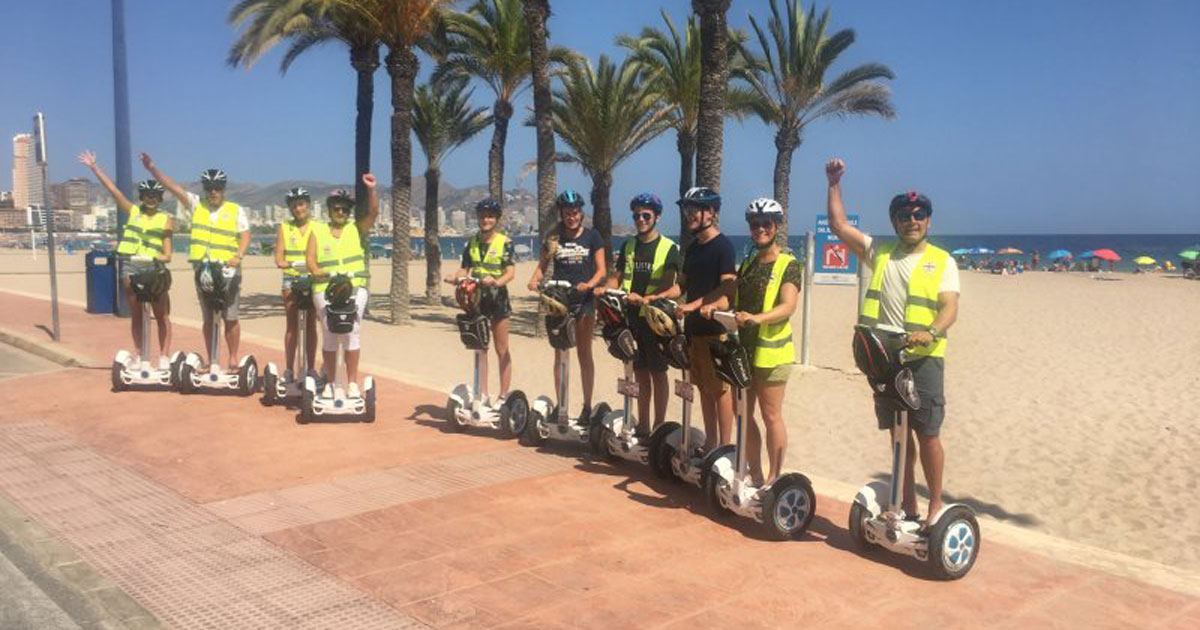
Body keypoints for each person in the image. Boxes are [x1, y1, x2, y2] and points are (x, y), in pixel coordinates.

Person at [825, 158, 960, 526]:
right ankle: (906, 504)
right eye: (904, 216)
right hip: (884, 357)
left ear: (928, 221)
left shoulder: (942, 261)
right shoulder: (880, 253)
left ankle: (934, 506)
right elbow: (838, 226)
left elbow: (950, 308)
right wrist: (834, 183)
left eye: (918, 215)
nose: (911, 221)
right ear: (895, 222)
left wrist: (931, 331)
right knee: (898, 433)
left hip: (924, 358)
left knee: (926, 432)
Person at [699, 198, 799, 486]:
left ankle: (774, 477)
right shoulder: (749, 265)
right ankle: (754, 471)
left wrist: (757, 318)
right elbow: (732, 298)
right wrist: (713, 306)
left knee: (770, 415)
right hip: (744, 352)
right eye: (755, 225)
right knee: (744, 413)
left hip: (772, 355)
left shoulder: (788, 265)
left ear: (776, 227)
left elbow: (788, 305)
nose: (760, 229)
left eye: (766, 224)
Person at [142, 154, 250, 372]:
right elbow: (172, 187)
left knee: (230, 316)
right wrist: (153, 169)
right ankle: (212, 360)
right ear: (204, 188)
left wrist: (238, 256)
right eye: (209, 187)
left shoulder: (235, 210)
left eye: (217, 187)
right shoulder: (195, 205)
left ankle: (233, 358)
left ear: (223, 188)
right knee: (209, 317)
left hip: (229, 270)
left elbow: (245, 235)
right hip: (204, 270)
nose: (213, 191)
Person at [79, 151, 174, 367]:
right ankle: (140, 355)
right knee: (137, 314)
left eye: (155, 196)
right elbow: (113, 190)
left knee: (161, 314)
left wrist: (159, 256)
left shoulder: (166, 219)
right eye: (147, 195)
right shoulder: (132, 211)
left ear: (160, 199)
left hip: (154, 268)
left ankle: (165, 356)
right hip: (130, 266)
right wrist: (94, 167)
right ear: (142, 197)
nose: (151, 199)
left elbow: (168, 252)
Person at [526, 189, 607, 422]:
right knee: (560, 353)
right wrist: (534, 279)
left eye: (575, 212)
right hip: (559, 300)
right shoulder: (554, 237)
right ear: (561, 214)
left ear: (581, 213)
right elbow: (542, 265)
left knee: (584, 354)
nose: (572, 216)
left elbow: (601, 270)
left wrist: (589, 284)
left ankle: (587, 406)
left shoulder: (593, 237)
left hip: (584, 301)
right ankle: (561, 404)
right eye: (567, 212)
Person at [607, 193, 680, 437]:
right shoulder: (628, 245)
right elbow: (618, 276)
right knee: (639, 372)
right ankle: (644, 424)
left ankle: (659, 426)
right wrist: (607, 290)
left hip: (655, 318)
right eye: (637, 215)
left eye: (646, 215)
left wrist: (647, 299)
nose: (641, 219)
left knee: (658, 373)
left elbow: (671, 285)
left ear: (656, 217)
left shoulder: (669, 248)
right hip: (631, 317)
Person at [673, 186, 737, 454]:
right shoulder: (692, 249)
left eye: (693, 210)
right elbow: (682, 286)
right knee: (703, 387)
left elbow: (727, 288)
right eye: (686, 210)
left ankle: (724, 446)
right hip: (693, 329)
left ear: (710, 212)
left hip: (715, 329)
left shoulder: (723, 247)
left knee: (720, 390)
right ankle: (710, 442)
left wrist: (695, 305)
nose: (688, 215)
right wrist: (658, 298)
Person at [306, 175, 380, 397]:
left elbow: (374, 213)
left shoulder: (356, 229)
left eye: (345, 210)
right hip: (324, 288)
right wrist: (317, 271)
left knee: (351, 332)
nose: (341, 213)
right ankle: (330, 381)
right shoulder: (317, 231)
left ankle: (353, 383)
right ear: (329, 210)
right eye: (337, 209)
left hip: (354, 287)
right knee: (329, 332)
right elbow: (310, 258)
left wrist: (371, 190)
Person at [445, 198, 517, 400]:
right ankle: (482, 393)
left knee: (501, 348)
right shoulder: (472, 243)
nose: (486, 219)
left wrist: (497, 282)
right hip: (476, 300)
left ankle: (504, 395)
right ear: (477, 218)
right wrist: (456, 277)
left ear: (496, 219)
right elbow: (465, 268)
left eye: (490, 216)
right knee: (480, 347)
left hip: (498, 300)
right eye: (483, 216)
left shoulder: (505, 242)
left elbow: (510, 272)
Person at [274, 187, 320, 382]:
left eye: (301, 204)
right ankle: (289, 369)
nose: (298, 208)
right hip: (291, 279)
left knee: (310, 325)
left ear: (307, 205)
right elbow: (278, 257)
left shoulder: (318, 228)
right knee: (291, 326)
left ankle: (310, 369)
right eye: (294, 206)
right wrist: (290, 264)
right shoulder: (285, 227)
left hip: (311, 279)